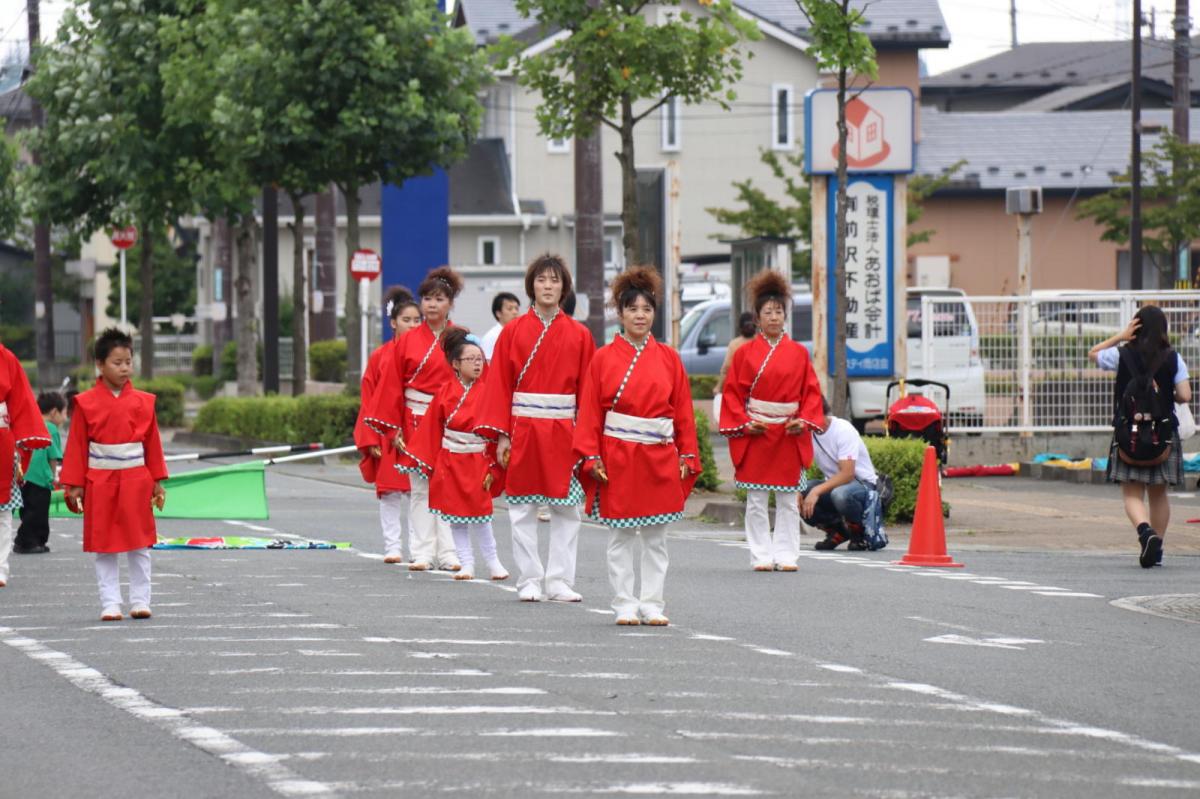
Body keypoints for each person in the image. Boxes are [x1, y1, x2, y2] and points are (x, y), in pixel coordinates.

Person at [573, 266, 699, 626]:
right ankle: (624, 602)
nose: (640, 315)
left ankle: (652, 602)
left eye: (646, 309)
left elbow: (684, 414)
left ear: (654, 314)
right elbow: (590, 413)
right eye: (632, 309)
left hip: (659, 455)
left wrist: (687, 453)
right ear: (620, 313)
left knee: (656, 537)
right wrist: (591, 454)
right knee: (622, 535)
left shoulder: (670, 358)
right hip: (619, 456)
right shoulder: (603, 358)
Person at [476, 254, 595, 602]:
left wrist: (588, 440)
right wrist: (501, 435)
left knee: (567, 507)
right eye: (541, 280)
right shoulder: (512, 332)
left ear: (564, 287)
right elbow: (498, 385)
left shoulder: (580, 335)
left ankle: (559, 580)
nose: (548, 286)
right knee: (523, 508)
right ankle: (529, 578)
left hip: (564, 429)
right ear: (531, 286)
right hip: (523, 426)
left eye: (554, 280)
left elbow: (589, 392)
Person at [719, 271, 824, 572]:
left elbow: (811, 392)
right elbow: (733, 394)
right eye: (768, 312)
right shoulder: (744, 353)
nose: (774, 318)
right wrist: (743, 423)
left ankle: (787, 554)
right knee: (756, 499)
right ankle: (761, 554)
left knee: (788, 499)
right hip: (758, 431)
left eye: (779, 312)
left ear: (785, 316)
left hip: (789, 432)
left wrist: (803, 421)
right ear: (757, 317)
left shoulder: (799, 353)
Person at [61, 328, 168, 621]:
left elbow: (153, 443)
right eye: (117, 362)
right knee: (104, 543)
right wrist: (74, 485)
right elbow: (78, 445)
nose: (124, 368)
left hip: (136, 476)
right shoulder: (85, 402)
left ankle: (140, 600)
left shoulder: (144, 401)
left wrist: (157, 481)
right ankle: (110, 603)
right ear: (100, 364)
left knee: (139, 542)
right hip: (99, 479)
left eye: (128, 362)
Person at [364, 267, 463, 572]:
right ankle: (422, 551)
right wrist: (392, 427)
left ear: (450, 303)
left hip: (449, 420)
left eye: (439, 299)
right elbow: (391, 385)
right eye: (427, 299)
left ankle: (450, 552)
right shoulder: (406, 342)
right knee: (419, 488)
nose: (432, 304)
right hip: (414, 421)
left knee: (447, 487)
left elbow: (472, 380)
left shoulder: (460, 337)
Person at [1089, 306, 1191, 568]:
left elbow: (1093, 354)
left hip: (1128, 432)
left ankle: (1145, 532)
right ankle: (1156, 547)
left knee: (1132, 493)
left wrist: (1121, 337)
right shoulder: (1173, 358)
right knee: (1158, 494)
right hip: (1163, 435)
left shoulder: (1122, 354)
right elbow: (1185, 396)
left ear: (1136, 327)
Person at [403, 329, 508, 582]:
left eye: (479, 358)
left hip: (478, 458)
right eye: (470, 359)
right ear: (455, 364)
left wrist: (496, 463)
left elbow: (497, 429)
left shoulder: (490, 391)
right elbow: (431, 430)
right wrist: (429, 462)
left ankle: (493, 562)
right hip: (451, 459)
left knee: (482, 514)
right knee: (456, 517)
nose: (476, 363)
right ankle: (466, 563)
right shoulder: (445, 392)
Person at [356, 286, 421, 564]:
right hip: (389, 429)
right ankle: (392, 545)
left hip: (419, 428)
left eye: (417, 320)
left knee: (419, 492)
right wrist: (371, 436)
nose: (413, 325)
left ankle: (421, 546)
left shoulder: (428, 351)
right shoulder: (380, 356)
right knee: (391, 492)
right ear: (393, 323)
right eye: (406, 320)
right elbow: (370, 397)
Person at [0, 343, 52, 587]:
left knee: (2, 510)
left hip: (2, 441)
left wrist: (23, 448)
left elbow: (21, 404)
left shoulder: (7, 358)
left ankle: (0, 567)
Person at [802, 398, 880, 550]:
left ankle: (860, 534)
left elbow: (847, 474)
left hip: (863, 485)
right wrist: (797, 489)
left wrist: (817, 491)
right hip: (835, 486)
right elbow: (799, 462)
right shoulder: (808, 433)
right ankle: (837, 532)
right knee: (802, 492)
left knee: (840, 495)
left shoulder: (843, 429)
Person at [13, 391, 66, 555]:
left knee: (27, 510)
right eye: (64, 413)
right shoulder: (51, 428)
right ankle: (26, 541)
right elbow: (53, 457)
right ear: (54, 412)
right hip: (40, 478)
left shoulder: (30, 423)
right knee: (38, 512)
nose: (65, 418)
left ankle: (33, 541)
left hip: (23, 475)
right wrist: (51, 478)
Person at [713, 311, 757, 421]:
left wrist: (718, 386)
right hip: (758, 390)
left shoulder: (735, 344)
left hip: (739, 389)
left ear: (740, 327)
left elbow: (726, 368)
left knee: (739, 420)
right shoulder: (761, 342)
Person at [480, 292, 521, 361]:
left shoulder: (519, 334)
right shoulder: (492, 337)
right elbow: (487, 364)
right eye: (510, 309)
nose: (515, 312)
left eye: (516, 308)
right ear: (498, 313)